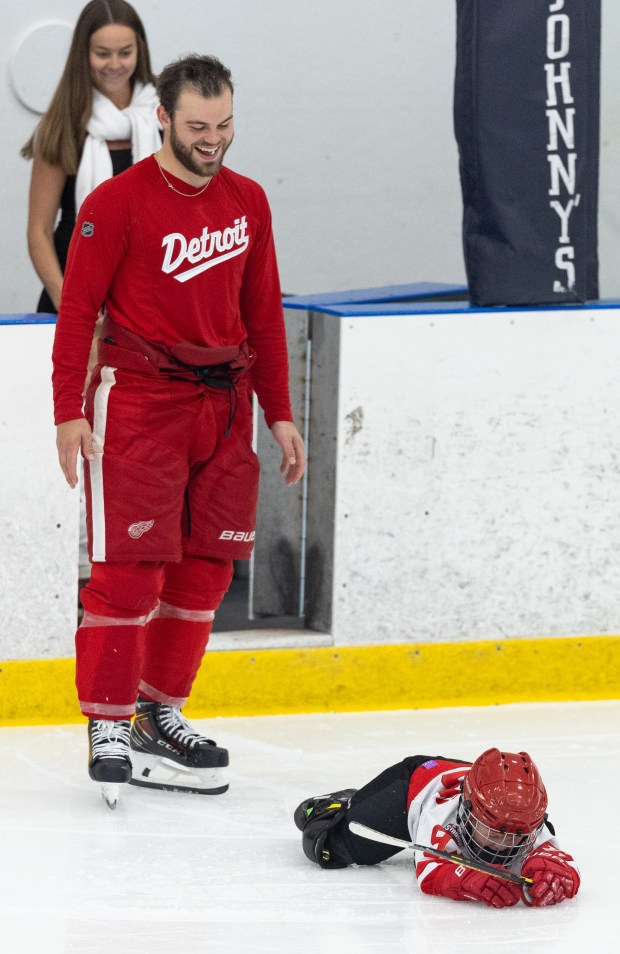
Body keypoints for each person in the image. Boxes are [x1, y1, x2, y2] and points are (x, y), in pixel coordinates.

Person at [51, 53, 305, 806]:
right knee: (131, 569)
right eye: (198, 126)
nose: (213, 140)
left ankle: (160, 712)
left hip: (224, 409)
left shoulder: (248, 201)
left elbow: (263, 312)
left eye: (224, 126)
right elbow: (76, 311)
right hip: (139, 403)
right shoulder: (117, 203)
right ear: (162, 117)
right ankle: (107, 718)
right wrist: (69, 410)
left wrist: (280, 412)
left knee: (206, 570)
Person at [294, 748, 580, 908]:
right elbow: (429, 873)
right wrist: (469, 879)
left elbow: (561, 861)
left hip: (473, 781)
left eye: (518, 836)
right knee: (327, 849)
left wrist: (554, 874)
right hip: (411, 788)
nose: (504, 845)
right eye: (493, 832)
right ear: (465, 811)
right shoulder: (443, 814)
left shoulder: (520, 816)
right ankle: (337, 806)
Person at [21, 0, 161, 314]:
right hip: (74, 299)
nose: (114, 64)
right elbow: (38, 232)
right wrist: (71, 305)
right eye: (102, 53)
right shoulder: (62, 126)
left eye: (125, 52)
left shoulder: (165, 117)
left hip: (151, 303)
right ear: (83, 54)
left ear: (139, 51)